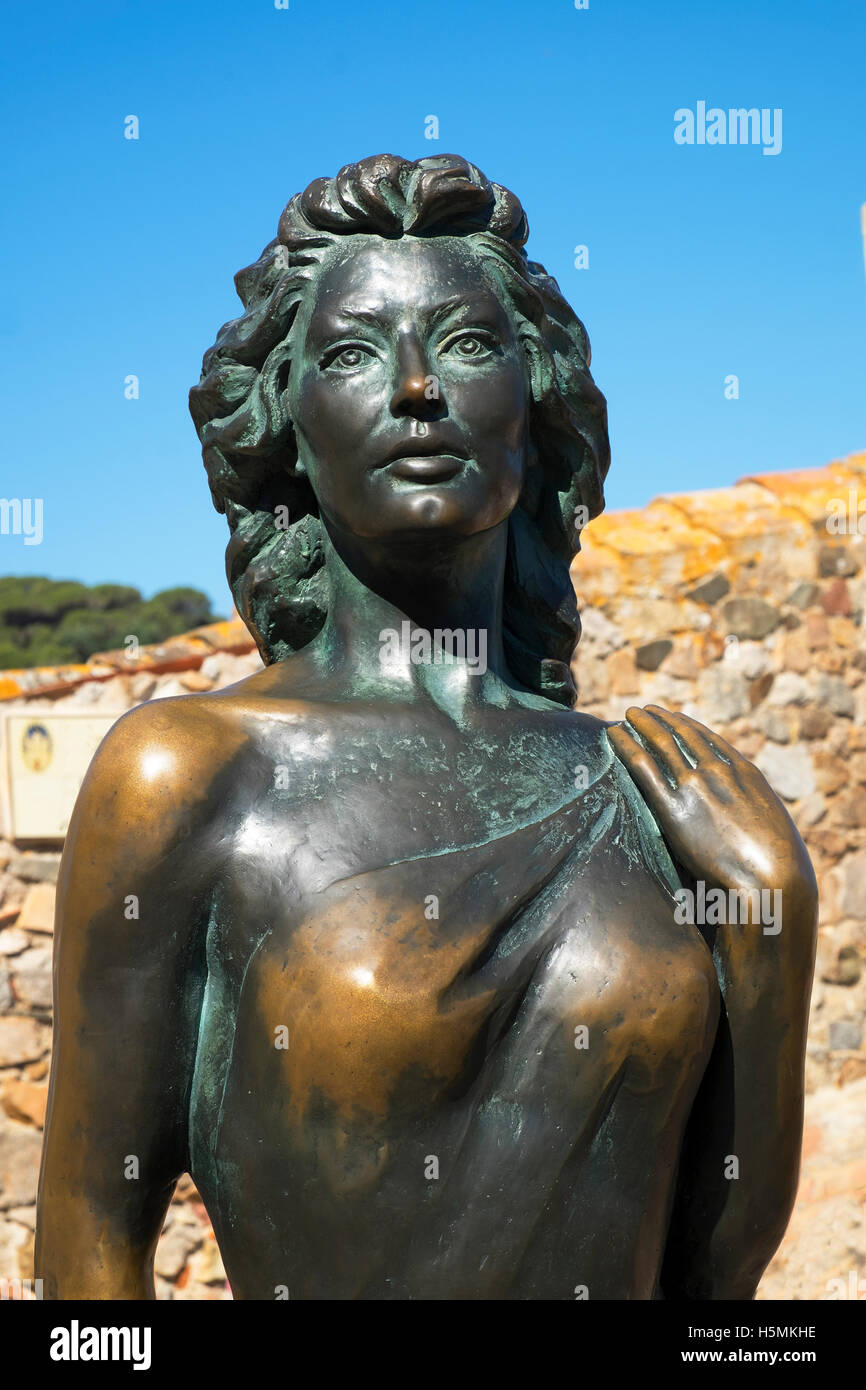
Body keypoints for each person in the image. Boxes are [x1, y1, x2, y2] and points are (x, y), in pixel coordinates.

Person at [36, 154, 817, 1300]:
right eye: (351, 353)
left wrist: (769, 924)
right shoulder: (189, 770)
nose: (415, 388)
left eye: (465, 343)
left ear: (533, 396)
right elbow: (87, 1256)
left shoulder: (649, 791)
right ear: (287, 427)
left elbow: (713, 1290)